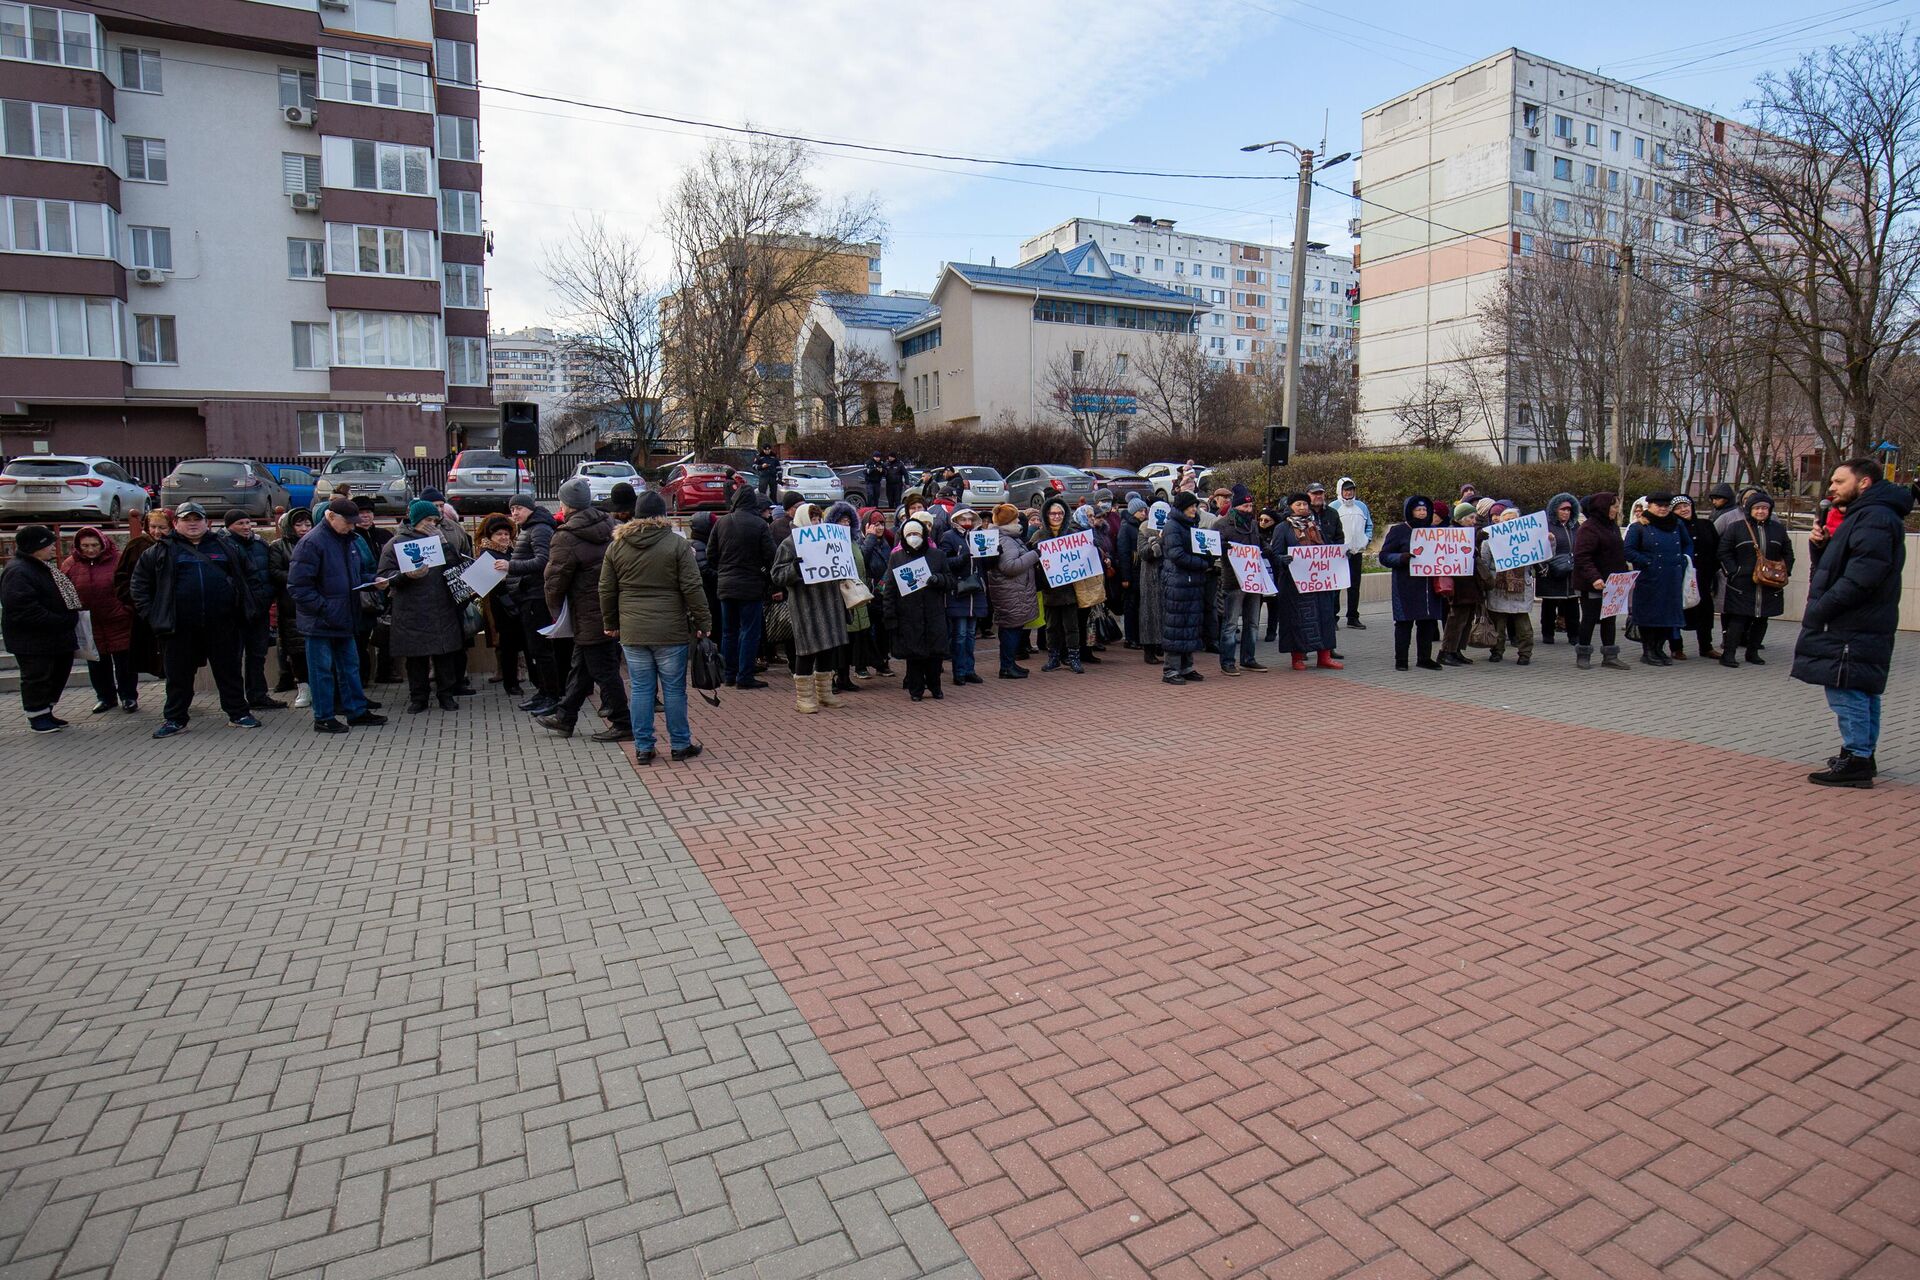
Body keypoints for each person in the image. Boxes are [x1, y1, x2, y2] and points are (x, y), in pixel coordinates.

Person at [1796, 458, 1912, 787]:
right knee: (1859, 687)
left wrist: (1820, 609)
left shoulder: (1874, 517)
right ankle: (1859, 753)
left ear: (1863, 484)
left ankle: (1857, 759)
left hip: (1852, 623)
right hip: (1860, 620)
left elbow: (1863, 576)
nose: (1830, 487)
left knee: (1847, 688)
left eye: (1838, 481)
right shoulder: (1871, 514)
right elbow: (1847, 564)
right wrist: (1821, 546)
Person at [131, 502, 262, 737]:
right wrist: (152, 616)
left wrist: (246, 607)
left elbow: (251, 577)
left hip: (223, 623)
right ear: (176, 524)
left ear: (207, 522)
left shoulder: (226, 547)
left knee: (229, 671)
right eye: (186, 520)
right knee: (178, 675)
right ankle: (175, 718)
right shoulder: (160, 551)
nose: (192, 524)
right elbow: (139, 586)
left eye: (197, 519)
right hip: (179, 627)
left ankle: (238, 713)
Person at [601, 490, 710, 763]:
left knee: (640, 689)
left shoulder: (617, 546)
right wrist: (703, 621)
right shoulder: (676, 544)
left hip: (632, 628)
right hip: (670, 629)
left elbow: (606, 588)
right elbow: (693, 586)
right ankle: (680, 744)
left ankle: (644, 747)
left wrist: (611, 623)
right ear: (663, 514)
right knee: (673, 689)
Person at [537, 477, 630, 740]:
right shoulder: (611, 526)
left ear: (565, 504)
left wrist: (555, 613)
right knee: (582, 666)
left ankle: (623, 722)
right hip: (613, 606)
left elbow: (554, 580)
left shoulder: (565, 536)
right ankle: (566, 717)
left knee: (604, 669)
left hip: (586, 611)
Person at [288, 498, 387, 733]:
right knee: (322, 671)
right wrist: (324, 608)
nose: (352, 526)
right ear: (331, 516)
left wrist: (373, 581)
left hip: (345, 616)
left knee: (349, 666)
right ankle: (323, 716)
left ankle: (356, 711)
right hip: (321, 621)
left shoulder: (349, 540)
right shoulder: (311, 543)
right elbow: (298, 587)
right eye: (348, 522)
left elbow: (353, 576)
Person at [376, 500, 466, 714]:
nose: (432, 525)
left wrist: (443, 542)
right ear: (415, 521)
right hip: (411, 609)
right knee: (416, 658)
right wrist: (406, 576)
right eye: (427, 520)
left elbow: (457, 568)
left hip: (440, 606)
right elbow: (384, 575)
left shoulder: (441, 540)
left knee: (444, 655)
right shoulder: (397, 543)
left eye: (435, 520)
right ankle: (419, 698)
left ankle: (446, 695)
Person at [769, 503, 852, 714]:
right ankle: (804, 697)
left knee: (828, 650)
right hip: (806, 607)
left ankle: (825, 694)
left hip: (830, 605)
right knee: (806, 652)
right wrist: (794, 569)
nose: (816, 523)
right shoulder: (789, 544)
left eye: (818, 519)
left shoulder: (828, 540)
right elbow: (777, 575)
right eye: (812, 519)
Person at [3, 525, 80, 733]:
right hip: (33, 640)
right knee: (37, 676)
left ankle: (46, 711)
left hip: (53, 638)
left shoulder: (40, 567)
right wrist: (60, 620)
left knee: (55, 673)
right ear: (34, 547)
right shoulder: (19, 571)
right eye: (47, 545)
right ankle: (37, 715)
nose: (52, 548)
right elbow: (23, 609)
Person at [707, 484, 777, 691]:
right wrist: (763, 573)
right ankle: (745, 675)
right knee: (749, 631)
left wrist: (723, 570)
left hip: (726, 584)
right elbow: (771, 556)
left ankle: (729, 674)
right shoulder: (759, 524)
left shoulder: (721, 523)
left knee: (729, 632)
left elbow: (711, 555)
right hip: (750, 585)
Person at [61, 526, 137, 712]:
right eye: (85, 545)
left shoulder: (118, 560)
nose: (90, 549)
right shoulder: (71, 564)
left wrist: (126, 609)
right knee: (96, 664)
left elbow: (131, 585)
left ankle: (128, 697)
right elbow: (65, 591)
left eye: (94, 545)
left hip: (119, 619)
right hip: (89, 622)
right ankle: (105, 697)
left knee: (124, 663)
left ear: (102, 544)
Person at [1715, 489, 1792, 668]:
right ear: (1749, 509)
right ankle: (1729, 653)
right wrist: (1733, 571)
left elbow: (1788, 553)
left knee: (1761, 619)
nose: (1760, 511)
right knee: (1738, 619)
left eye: (1764, 508)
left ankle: (1753, 652)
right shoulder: (1736, 527)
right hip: (1742, 582)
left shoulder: (1778, 529)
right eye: (1757, 508)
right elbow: (1723, 552)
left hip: (1770, 583)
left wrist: (1784, 573)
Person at [883, 513, 952, 700]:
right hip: (908, 615)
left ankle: (935, 687)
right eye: (910, 534)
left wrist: (938, 579)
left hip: (933, 613)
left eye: (918, 534)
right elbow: (890, 589)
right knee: (914, 657)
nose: (914, 538)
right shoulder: (896, 558)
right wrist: (890, 615)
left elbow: (950, 581)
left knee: (935, 656)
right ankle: (916, 690)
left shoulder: (937, 555)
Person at [222, 509, 284, 710]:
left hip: (260, 610)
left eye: (248, 522)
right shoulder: (223, 546)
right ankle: (236, 700)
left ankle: (258, 695)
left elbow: (270, 573)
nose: (246, 527)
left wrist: (268, 598)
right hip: (236, 613)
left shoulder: (260, 545)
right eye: (240, 523)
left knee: (258, 656)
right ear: (229, 526)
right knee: (233, 658)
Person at [1622, 491, 1693, 667]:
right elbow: (1628, 550)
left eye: (1665, 506)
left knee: (1668, 615)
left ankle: (1660, 648)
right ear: (1650, 506)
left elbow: (1687, 543)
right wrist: (1646, 561)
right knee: (1650, 615)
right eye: (1658, 506)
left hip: (1672, 576)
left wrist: (1684, 560)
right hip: (1649, 578)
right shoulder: (1639, 526)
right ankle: (1648, 650)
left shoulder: (1676, 524)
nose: (1662, 509)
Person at [1377, 495, 1444, 671]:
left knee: (1428, 623)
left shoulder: (1435, 531)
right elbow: (1384, 556)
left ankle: (1424, 658)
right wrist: (1401, 558)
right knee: (1404, 623)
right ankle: (1401, 660)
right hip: (1405, 584)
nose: (1422, 513)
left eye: (1425, 510)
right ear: (1410, 511)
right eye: (1418, 510)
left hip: (1428, 586)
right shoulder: (1399, 531)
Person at [1275, 494, 1339, 670]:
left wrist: (1340, 555)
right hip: (1295, 583)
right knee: (1298, 619)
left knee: (1324, 617)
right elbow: (1274, 553)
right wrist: (1282, 559)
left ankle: (1324, 656)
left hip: (1319, 581)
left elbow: (1328, 547)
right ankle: (1297, 658)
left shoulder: (1315, 526)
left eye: (1305, 504)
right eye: (1298, 504)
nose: (1303, 507)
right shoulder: (1283, 528)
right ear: (1290, 506)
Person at [1572, 492, 1632, 671]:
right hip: (1591, 583)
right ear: (1603, 507)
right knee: (1589, 619)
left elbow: (1616, 553)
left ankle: (1610, 655)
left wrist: (1625, 573)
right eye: (1613, 506)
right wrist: (1595, 577)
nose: (1616, 510)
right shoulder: (1589, 528)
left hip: (1612, 582)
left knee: (1609, 619)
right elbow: (1582, 557)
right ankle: (1583, 654)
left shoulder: (1612, 526)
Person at [1159, 491, 1213, 685]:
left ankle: (1186, 666)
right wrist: (1202, 564)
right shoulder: (1173, 526)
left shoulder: (1191, 524)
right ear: (1182, 507)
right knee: (1175, 625)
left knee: (1190, 623)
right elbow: (1177, 555)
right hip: (1178, 582)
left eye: (1195, 506)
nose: (1194, 509)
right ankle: (1171, 669)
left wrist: (1212, 553)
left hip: (1191, 582)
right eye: (1191, 506)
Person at [822, 502, 876, 692]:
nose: (844, 524)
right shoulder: (828, 544)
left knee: (850, 640)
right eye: (841, 521)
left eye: (847, 521)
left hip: (854, 597)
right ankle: (833, 678)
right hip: (838, 599)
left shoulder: (852, 542)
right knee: (838, 641)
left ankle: (844, 677)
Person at [982, 502, 1038, 679]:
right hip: (1010, 592)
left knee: (1013, 628)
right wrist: (1034, 554)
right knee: (1010, 630)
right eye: (1015, 519)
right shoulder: (1005, 540)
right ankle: (1006, 667)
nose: (1019, 523)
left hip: (1013, 591)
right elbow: (1009, 566)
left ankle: (1010, 663)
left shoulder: (1008, 538)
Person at [1213, 485, 1265, 674]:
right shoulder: (1221, 525)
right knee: (1231, 623)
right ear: (1235, 507)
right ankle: (1227, 662)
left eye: (1250, 508)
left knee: (1252, 623)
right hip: (1233, 580)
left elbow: (1258, 546)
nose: (1248, 511)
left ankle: (1248, 658)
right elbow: (1212, 549)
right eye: (1245, 508)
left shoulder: (1252, 525)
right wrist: (1223, 547)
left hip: (1253, 580)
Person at [114, 506, 169, 682]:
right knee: (152, 658)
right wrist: (136, 603)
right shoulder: (136, 546)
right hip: (145, 613)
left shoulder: (177, 546)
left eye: (162, 527)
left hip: (170, 611)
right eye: (153, 526)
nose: (157, 531)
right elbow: (121, 579)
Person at [938, 506, 991, 686]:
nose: (967, 523)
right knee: (959, 634)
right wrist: (962, 557)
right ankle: (959, 671)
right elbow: (944, 562)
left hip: (975, 591)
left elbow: (986, 565)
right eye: (963, 520)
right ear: (956, 520)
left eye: (969, 520)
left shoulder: (979, 536)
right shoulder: (948, 537)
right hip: (958, 591)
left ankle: (970, 670)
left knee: (970, 634)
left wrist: (993, 553)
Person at [1031, 496, 1084, 673]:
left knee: (1072, 626)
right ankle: (1053, 657)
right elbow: (1031, 556)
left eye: (1060, 513)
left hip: (1069, 588)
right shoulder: (1039, 535)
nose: (1056, 516)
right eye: (1053, 513)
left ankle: (1074, 657)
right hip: (1050, 588)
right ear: (1046, 514)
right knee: (1052, 626)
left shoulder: (1071, 534)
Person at [1478, 507, 1537, 664]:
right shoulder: (1490, 540)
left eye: (1513, 520)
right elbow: (1484, 563)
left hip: (1521, 587)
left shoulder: (1528, 539)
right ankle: (1496, 651)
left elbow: (1539, 557)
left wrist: (1549, 542)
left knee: (1523, 625)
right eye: (1506, 520)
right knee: (1498, 623)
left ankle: (1525, 653)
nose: (1510, 523)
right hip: (1498, 587)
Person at [268, 509, 313, 708]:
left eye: (307, 524)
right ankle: (303, 687)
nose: (304, 529)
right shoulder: (278, 547)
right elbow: (275, 572)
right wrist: (300, 576)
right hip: (291, 606)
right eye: (299, 525)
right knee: (296, 651)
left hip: (315, 605)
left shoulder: (317, 543)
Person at [475, 514, 523, 695]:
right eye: (499, 534)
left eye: (506, 533)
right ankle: (511, 683)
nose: (504, 537)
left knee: (518, 642)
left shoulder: (513, 550)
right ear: (490, 536)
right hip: (500, 606)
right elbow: (482, 583)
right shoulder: (486, 553)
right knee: (507, 644)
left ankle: (518, 676)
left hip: (516, 602)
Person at [1674, 495, 1722, 660]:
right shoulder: (1672, 527)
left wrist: (1713, 568)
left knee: (1705, 612)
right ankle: (1676, 647)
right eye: (1678, 507)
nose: (1684, 510)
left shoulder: (1706, 525)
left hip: (1703, 576)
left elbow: (1717, 548)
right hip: (1680, 577)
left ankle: (1706, 646)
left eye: (1686, 506)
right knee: (1679, 612)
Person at [1438, 503, 1485, 666]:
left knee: (1466, 619)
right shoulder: (1453, 534)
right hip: (1459, 584)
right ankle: (1446, 651)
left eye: (1475, 518)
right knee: (1456, 619)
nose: (1474, 521)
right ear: (1461, 518)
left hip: (1470, 583)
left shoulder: (1470, 533)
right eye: (1471, 518)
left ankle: (1457, 649)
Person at [1537, 493, 1581, 646]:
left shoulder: (1575, 527)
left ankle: (1574, 635)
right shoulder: (1546, 526)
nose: (1566, 512)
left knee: (1573, 606)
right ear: (1555, 510)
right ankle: (1547, 634)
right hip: (1552, 572)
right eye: (1563, 509)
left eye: (1569, 510)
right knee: (1549, 605)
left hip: (1571, 573)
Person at [1307, 483, 1344, 653]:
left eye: (1321, 493)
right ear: (1308, 495)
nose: (1318, 496)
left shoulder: (1332, 513)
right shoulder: (1303, 514)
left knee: (1329, 609)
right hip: (1309, 570)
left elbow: (1339, 538)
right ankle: (1305, 647)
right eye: (1315, 493)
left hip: (1328, 568)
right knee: (1309, 610)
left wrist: (1337, 553)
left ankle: (1328, 647)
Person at [1331, 477, 1372, 628]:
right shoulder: (1333, 507)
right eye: (1346, 490)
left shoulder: (1361, 506)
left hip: (1356, 553)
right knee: (1336, 586)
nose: (1348, 493)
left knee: (1354, 586)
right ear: (1340, 490)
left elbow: (1369, 525)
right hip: (1340, 554)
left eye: (1351, 490)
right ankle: (1333, 617)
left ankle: (1353, 617)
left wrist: (1366, 540)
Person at [858, 509, 894, 676]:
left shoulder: (886, 542)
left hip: (883, 593)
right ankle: (862, 665)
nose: (879, 528)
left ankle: (881, 662)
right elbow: (861, 560)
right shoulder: (862, 542)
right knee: (865, 631)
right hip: (867, 593)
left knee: (882, 631)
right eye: (875, 524)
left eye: (881, 524)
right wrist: (870, 538)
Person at [1135, 501, 1168, 666]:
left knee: (1165, 613)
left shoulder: (1171, 528)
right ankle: (1148, 650)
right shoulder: (1144, 529)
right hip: (1150, 577)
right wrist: (1158, 542)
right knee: (1149, 613)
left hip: (1167, 575)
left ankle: (1161, 645)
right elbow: (1143, 553)